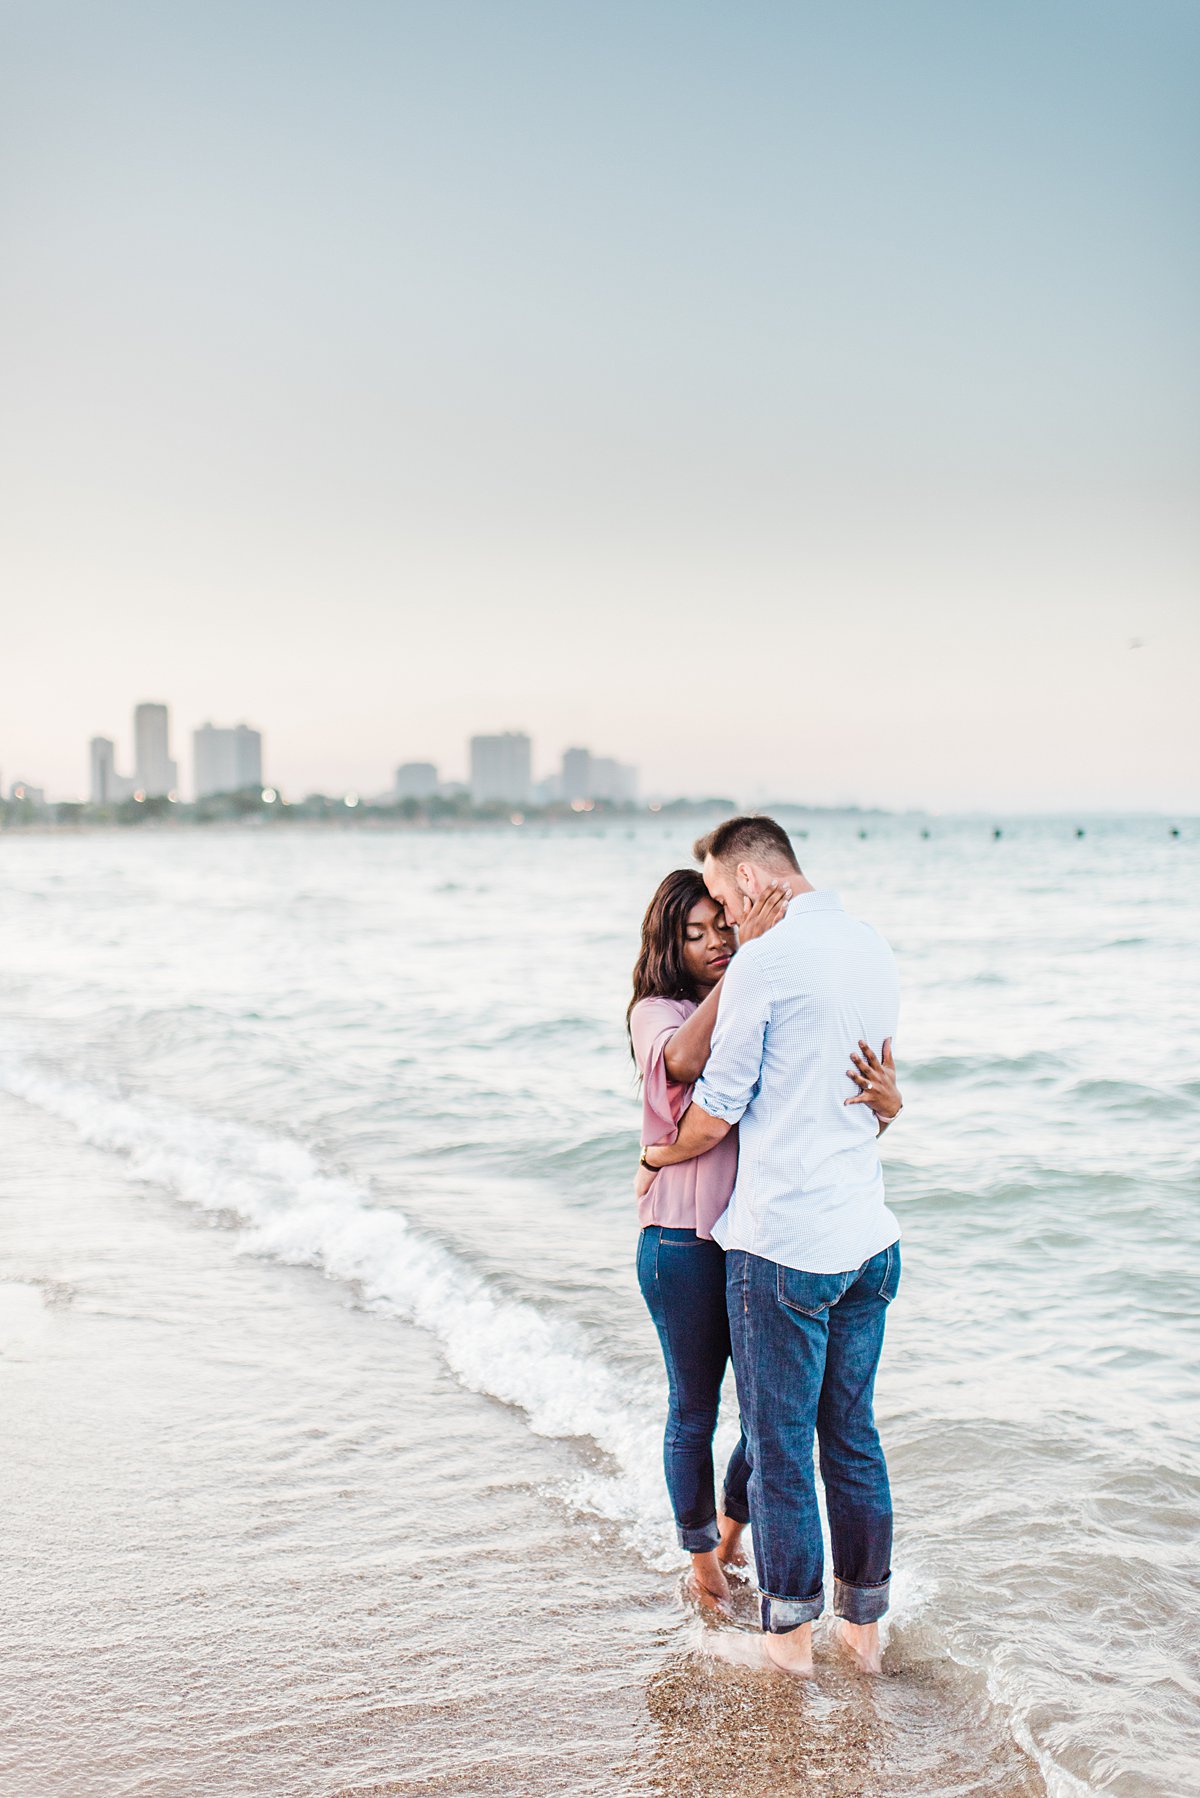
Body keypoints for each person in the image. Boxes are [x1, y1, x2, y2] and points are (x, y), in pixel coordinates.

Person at [639, 817, 902, 1676]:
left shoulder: (765, 962)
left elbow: (715, 1106)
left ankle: (789, 1643)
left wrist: (658, 1153)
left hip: (784, 1248)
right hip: (868, 1238)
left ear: (750, 880)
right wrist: (894, 1104)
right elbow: (866, 1091)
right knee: (852, 1438)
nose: (721, 915)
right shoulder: (870, 947)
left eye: (720, 895)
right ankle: (863, 1636)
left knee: (783, 1448)